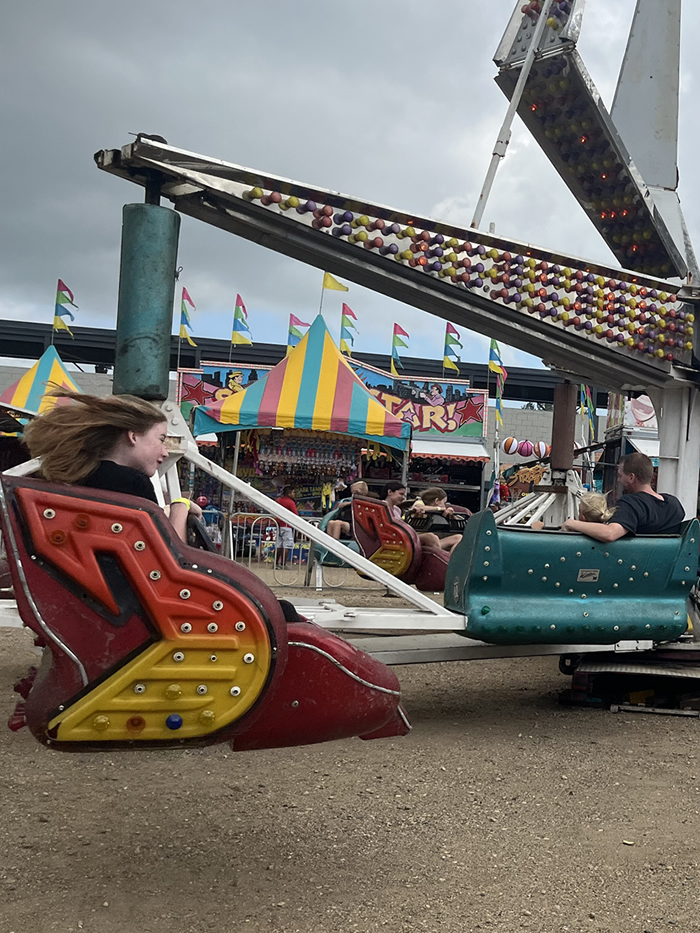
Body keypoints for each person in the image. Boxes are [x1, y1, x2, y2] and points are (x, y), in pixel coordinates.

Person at [22, 390, 202, 542]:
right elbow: (171, 557)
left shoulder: (83, 477)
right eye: (161, 439)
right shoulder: (133, 483)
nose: (165, 452)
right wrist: (180, 507)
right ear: (133, 436)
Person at [562, 452, 684, 540]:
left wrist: (572, 523)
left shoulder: (632, 503)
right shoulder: (674, 504)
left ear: (631, 477)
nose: (619, 480)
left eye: (620, 476)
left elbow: (610, 534)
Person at [383, 480, 442, 550]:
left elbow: (402, 524)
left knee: (433, 537)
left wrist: (415, 515)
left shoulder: (397, 509)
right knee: (430, 537)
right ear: (390, 492)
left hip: (402, 535)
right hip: (392, 538)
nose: (403, 498)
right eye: (401, 494)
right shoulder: (381, 507)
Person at [410, 487, 465, 552]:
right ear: (437, 501)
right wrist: (439, 508)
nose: (445, 506)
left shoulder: (440, 512)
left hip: (434, 542)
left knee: (459, 537)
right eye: (444, 503)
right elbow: (419, 508)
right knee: (431, 537)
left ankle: (450, 559)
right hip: (415, 538)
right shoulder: (420, 502)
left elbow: (460, 523)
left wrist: (452, 516)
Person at [275, 485, 298, 560]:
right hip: (287, 526)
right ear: (289, 493)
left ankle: (276, 563)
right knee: (286, 546)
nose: (294, 494)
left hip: (278, 525)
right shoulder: (291, 502)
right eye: (293, 492)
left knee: (279, 545)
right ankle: (283, 564)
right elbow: (295, 514)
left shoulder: (278, 500)